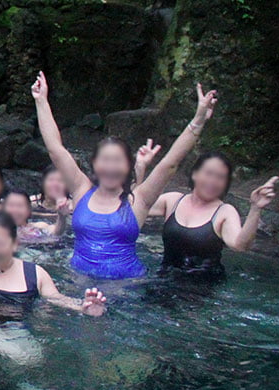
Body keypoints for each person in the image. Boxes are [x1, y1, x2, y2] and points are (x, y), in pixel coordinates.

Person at [32, 71, 218, 280]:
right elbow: (56, 151)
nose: (111, 166)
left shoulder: (138, 200)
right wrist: (41, 101)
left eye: (117, 161)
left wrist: (198, 120)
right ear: (94, 165)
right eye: (105, 160)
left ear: (128, 167)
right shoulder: (81, 190)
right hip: (78, 283)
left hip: (126, 290)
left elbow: (170, 164)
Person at [148, 153, 279, 278]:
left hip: (202, 288)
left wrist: (255, 208)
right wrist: (140, 168)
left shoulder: (225, 211)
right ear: (194, 174)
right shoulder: (172, 201)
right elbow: (135, 205)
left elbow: (240, 245)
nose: (212, 181)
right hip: (165, 277)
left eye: (220, 177)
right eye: (208, 174)